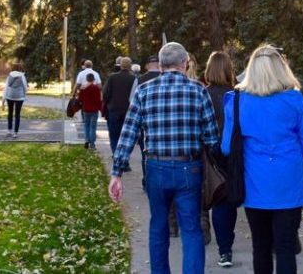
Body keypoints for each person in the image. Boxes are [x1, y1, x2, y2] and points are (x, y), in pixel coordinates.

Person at [109, 42, 219, 274]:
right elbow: (211, 138)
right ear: (185, 64)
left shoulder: (144, 91)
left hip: (156, 167)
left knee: (158, 226)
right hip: (189, 167)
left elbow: (128, 133)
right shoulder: (198, 91)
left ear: (160, 65)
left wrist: (117, 172)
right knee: (191, 229)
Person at [222, 45, 303, 274]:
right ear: (281, 68)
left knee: (261, 246)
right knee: (286, 246)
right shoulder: (295, 99)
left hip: (254, 181)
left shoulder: (237, 100)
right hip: (289, 181)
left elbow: (227, 147)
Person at [204, 51, 240, 268]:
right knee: (228, 202)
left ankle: (223, 248)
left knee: (217, 200)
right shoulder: (237, 96)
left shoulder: (203, 93)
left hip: (209, 153)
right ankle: (226, 246)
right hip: (233, 153)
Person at [103, 56, 138, 152]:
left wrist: (107, 103)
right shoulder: (134, 79)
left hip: (113, 109)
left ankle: (115, 153)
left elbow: (105, 93)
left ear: (120, 65)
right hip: (128, 110)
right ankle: (124, 154)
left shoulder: (112, 78)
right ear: (130, 66)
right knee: (126, 135)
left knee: (114, 134)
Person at [78, 73, 104, 149]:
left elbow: (80, 99)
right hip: (94, 110)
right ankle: (92, 144)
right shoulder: (96, 88)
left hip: (85, 109)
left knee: (86, 125)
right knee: (93, 127)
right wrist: (101, 109)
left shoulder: (83, 88)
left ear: (86, 79)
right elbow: (98, 100)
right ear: (93, 79)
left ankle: (86, 140)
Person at [3, 62, 28, 138]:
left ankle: (9, 131)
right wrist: (24, 95)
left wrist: (3, 99)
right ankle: (15, 133)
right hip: (19, 97)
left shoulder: (9, 75)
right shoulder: (22, 76)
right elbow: (25, 87)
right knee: (17, 115)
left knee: (10, 113)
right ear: (20, 68)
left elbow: (6, 87)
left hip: (10, 96)